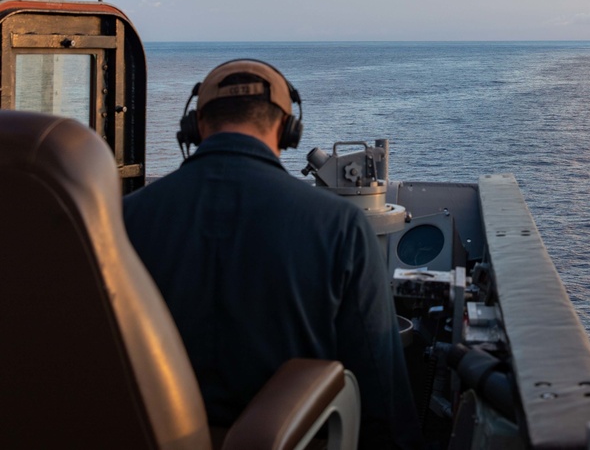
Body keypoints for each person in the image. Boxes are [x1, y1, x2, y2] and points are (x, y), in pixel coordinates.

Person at [123, 59, 421, 449]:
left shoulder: (123, 218)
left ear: (195, 127)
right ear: (287, 129)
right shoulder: (341, 226)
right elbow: (380, 391)